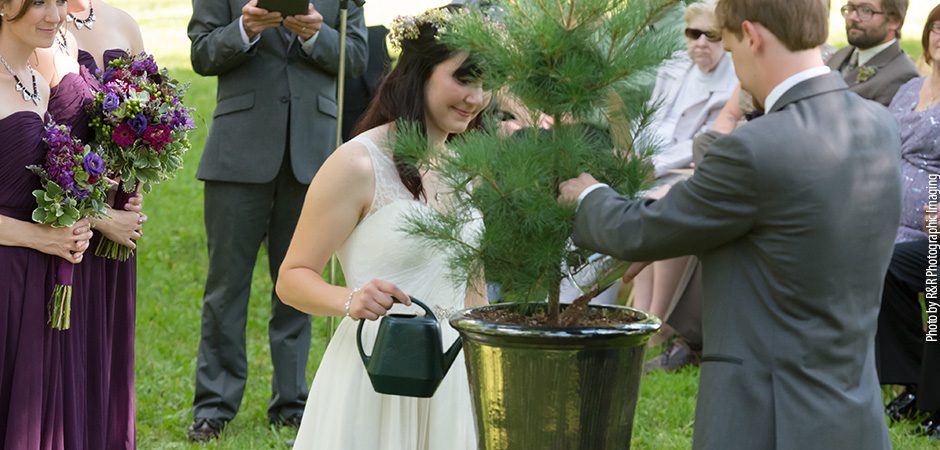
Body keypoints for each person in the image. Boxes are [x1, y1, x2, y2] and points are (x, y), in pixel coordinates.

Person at [559, 0, 900, 448]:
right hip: (850, 411)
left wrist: (586, 195)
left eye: (732, 48)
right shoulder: (878, 123)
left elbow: (637, 232)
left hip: (765, 416)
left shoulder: (756, 149)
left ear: (751, 36)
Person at [276, 8, 487, 449]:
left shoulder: (468, 167)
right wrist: (352, 300)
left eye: (486, 83)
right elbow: (292, 278)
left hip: (453, 378)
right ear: (419, 72)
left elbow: (474, 289)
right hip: (379, 372)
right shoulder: (357, 164)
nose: (476, 97)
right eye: (464, 78)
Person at [186, 0, 367, 441]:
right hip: (238, 153)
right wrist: (243, 29)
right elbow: (202, 53)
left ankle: (293, 400)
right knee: (226, 286)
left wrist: (315, 36)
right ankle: (214, 404)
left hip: (313, 156)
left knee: (301, 285)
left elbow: (357, 59)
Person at [32, 4, 145, 445]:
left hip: (117, 227)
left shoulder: (123, 22)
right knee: (67, 363)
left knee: (108, 358)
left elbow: (146, 118)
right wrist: (103, 217)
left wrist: (136, 191)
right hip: (68, 232)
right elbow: (35, 148)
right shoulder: (39, 31)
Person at [0, 0, 94, 448]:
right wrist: (42, 236)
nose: (54, 14)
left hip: (39, 280)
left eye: (58, 0)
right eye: (37, 1)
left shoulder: (40, 81)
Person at [629, 0, 736, 370]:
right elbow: (650, 120)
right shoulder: (675, 67)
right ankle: (640, 313)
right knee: (640, 201)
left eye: (712, 35)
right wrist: (633, 156)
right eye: (694, 34)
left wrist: (653, 164)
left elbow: (705, 141)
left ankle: (658, 321)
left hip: (684, 169)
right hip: (653, 165)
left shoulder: (734, 78)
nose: (701, 43)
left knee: (663, 204)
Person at [876, 5, 940, 442]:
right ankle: (913, 384)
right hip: (883, 218)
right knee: (881, 266)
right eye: (938, 28)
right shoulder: (909, 90)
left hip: (931, 229)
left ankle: (932, 400)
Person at [827, 0, 918, 106]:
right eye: (850, 8)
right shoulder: (841, 54)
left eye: (866, 10)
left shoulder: (902, 76)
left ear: (894, 22)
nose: (852, 17)